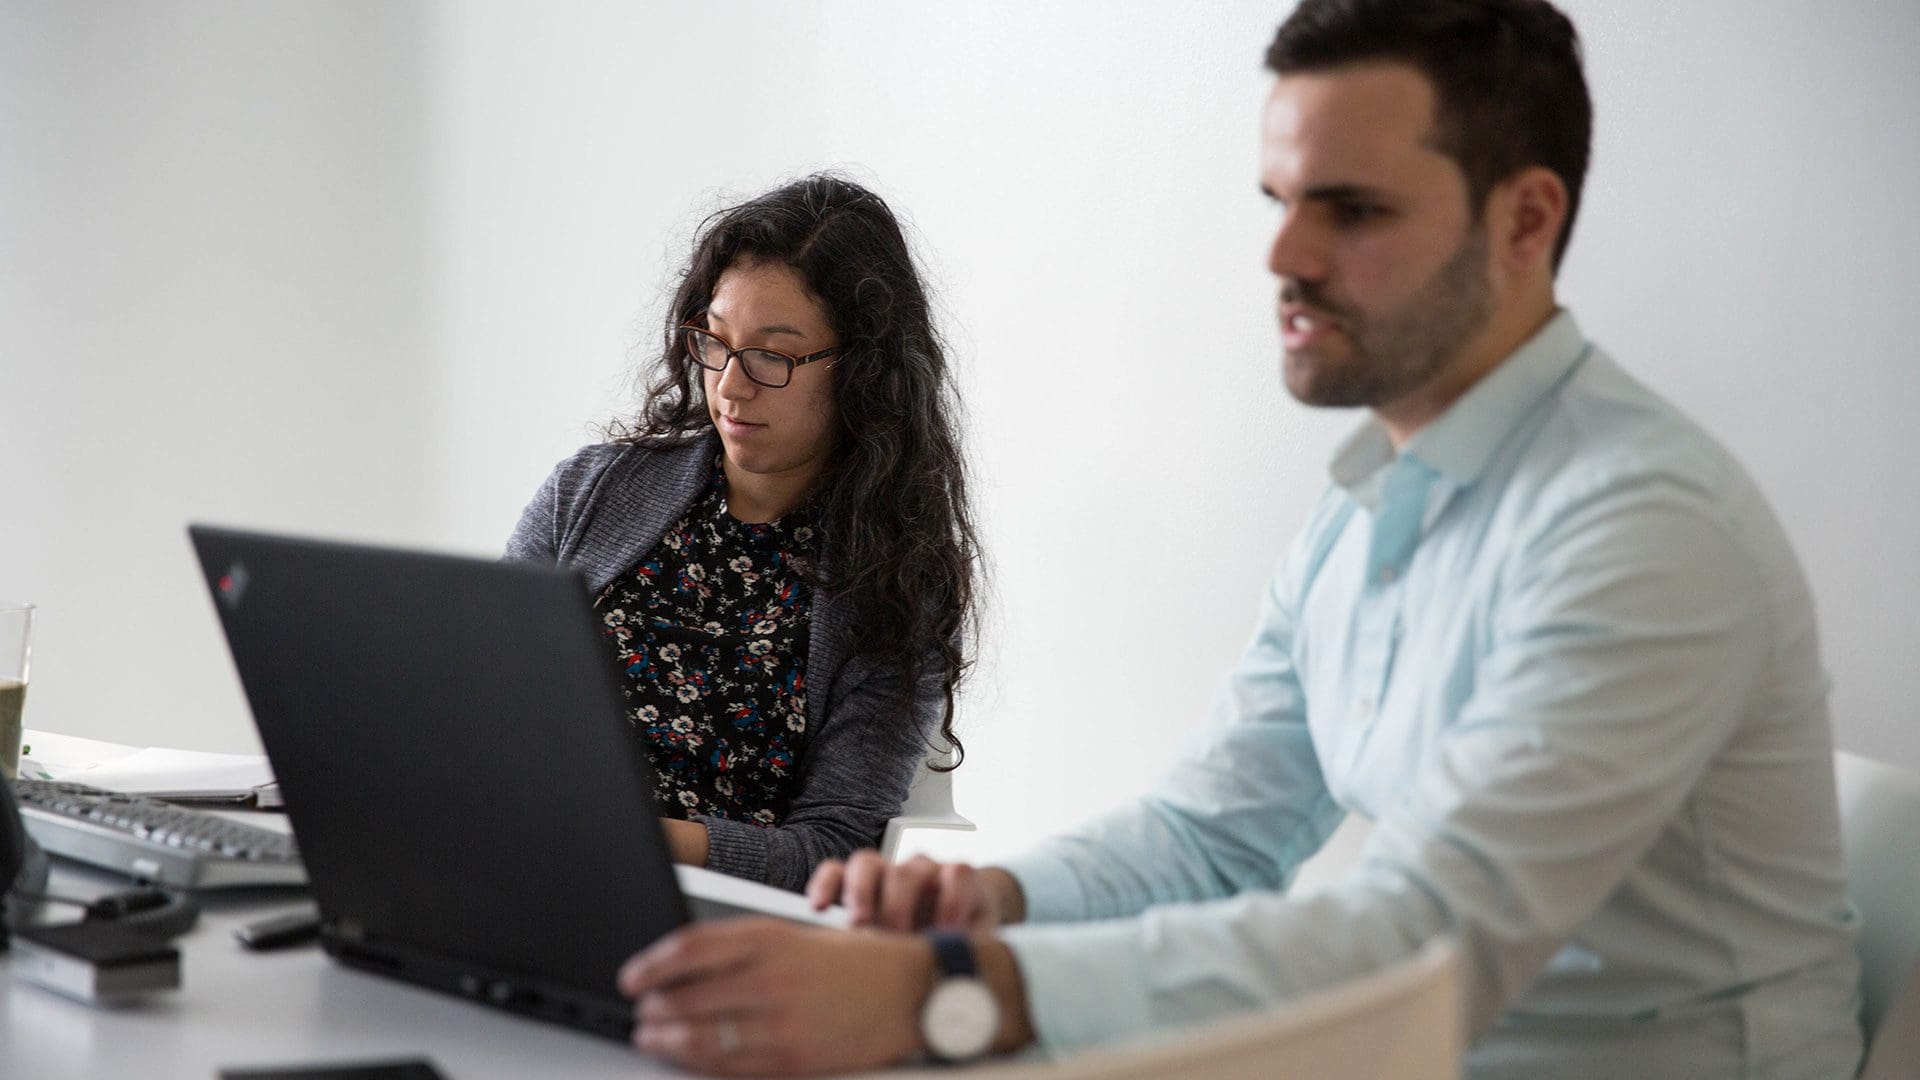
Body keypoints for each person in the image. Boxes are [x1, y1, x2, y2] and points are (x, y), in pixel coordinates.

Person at [612, 2, 1867, 1077]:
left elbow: (1424, 940)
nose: (1283, 254)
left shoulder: (1642, 529)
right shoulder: (1369, 503)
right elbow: (1217, 831)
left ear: (1525, 221)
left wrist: (954, 985)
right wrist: (996, 901)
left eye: (1352, 209)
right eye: (1277, 201)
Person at [506, 174, 979, 893]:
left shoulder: (894, 581)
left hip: (715, 921)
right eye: (715, 342)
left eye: (772, 356)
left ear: (862, 371)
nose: (729, 385)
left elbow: (833, 851)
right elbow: (483, 705)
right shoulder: (587, 491)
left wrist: (633, 838)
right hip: (523, 866)